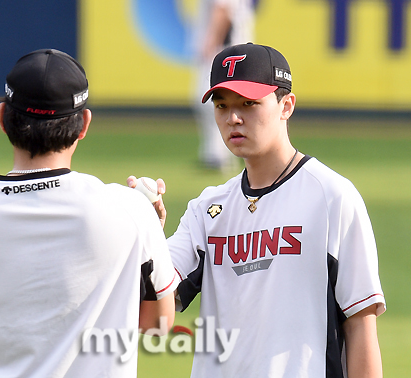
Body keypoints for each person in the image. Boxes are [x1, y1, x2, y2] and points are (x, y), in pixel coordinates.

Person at [0, 49, 178, 378]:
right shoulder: (130, 209)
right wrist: (148, 232)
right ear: (84, 124)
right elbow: (157, 325)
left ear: (2, 118)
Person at [133, 43, 386, 377]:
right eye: (222, 106)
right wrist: (145, 236)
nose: (234, 118)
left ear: (286, 106)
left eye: (249, 104)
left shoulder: (331, 198)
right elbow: (152, 321)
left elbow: (360, 325)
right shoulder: (207, 210)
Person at [191, 0, 255, 171]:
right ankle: (215, 153)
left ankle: (219, 156)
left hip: (223, 52)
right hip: (230, 50)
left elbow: (222, 9)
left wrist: (211, 43)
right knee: (219, 103)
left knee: (210, 101)